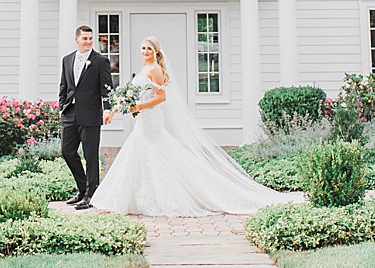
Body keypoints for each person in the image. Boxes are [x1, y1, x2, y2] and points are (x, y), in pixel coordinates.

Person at [91, 36, 286, 216]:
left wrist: (139, 106)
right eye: (142, 48)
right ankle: (138, 196)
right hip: (143, 118)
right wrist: (112, 112)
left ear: (156, 51)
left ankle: (169, 195)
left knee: (154, 152)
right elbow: (128, 96)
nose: (145, 51)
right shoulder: (143, 69)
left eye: (149, 49)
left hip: (151, 117)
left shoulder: (155, 70)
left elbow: (161, 97)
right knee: (145, 151)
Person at [58, 25, 114, 210]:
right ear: (77, 40)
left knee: (90, 156)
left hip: (90, 114)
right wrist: (61, 107)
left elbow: (106, 88)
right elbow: (64, 85)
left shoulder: (100, 61)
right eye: (85, 39)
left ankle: (91, 195)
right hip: (69, 113)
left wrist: (107, 109)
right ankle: (82, 189)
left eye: (91, 39)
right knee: (67, 151)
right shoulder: (67, 60)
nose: (88, 42)